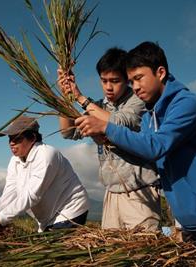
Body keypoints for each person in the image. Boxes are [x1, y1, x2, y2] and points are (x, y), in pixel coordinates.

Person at [75, 42, 196, 266]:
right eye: (131, 81)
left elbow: (156, 146)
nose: (135, 86)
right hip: (192, 215)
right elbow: (145, 147)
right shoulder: (151, 114)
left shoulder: (185, 105)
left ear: (160, 72)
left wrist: (105, 128)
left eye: (139, 78)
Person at [58, 47, 161, 231]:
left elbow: (119, 122)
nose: (108, 87)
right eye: (104, 81)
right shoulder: (97, 106)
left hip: (139, 191)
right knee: (114, 252)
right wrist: (65, 97)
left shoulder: (137, 100)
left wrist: (81, 98)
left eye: (115, 81)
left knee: (143, 252)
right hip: (112, 192)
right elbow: (68, 132)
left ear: (127, 80)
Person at [0, 115, 89, 233]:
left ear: (33, 138)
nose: (11, 143)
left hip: (70, 210)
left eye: (17, 138)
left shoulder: (46, 155)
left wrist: (0, 219)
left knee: (52, 249)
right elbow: (11, 191)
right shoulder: (15, 160)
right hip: (48, 216)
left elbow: (32, 195)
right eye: (10, 139)